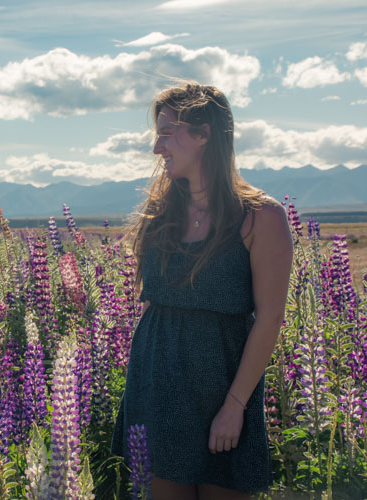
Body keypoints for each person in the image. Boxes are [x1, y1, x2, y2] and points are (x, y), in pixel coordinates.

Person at [111, 82, 293, 500]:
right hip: (156, 384)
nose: (158, 147)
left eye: (166, 132)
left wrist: (235, 406)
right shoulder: (161, 213)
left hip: (222, 388)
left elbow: (270, 319)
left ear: (204, 134)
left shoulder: (260, 217)